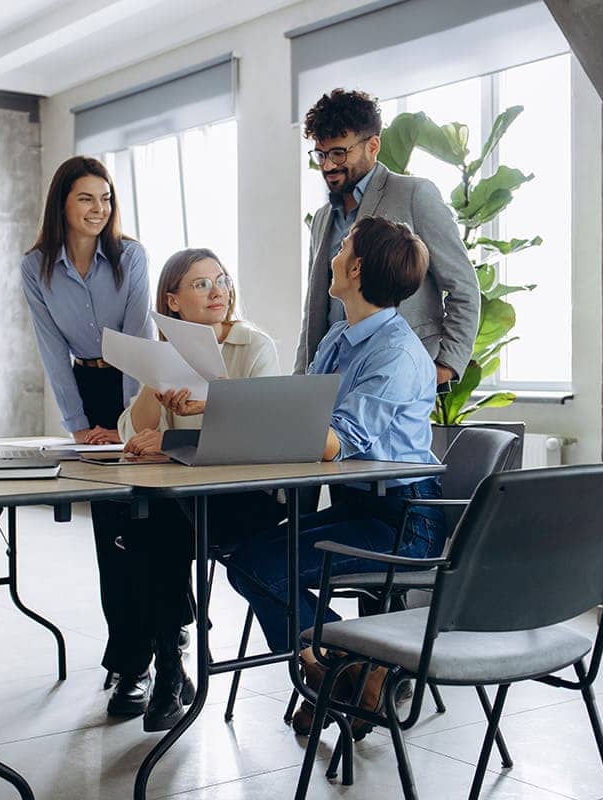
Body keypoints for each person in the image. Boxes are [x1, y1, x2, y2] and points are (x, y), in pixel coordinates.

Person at [225, 216, 445, 731]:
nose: (333, 254)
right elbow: (300, 408)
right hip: (359, 508)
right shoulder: (341, 337)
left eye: (342, 245)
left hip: (404, 523)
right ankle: (344, 670)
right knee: (249, 558)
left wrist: (248, 420)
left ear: (358, 266)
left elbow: (333, 440)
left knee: (258, 564)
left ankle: (333, 670)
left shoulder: (393, 352)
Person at [101, 248, 284, 731]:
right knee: (151, 519)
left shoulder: (254, 346)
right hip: (183, 504)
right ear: (173, 301)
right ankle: (169, 663)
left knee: (148, 528)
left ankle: (170, 659)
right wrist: (150, 387)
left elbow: (260, 431)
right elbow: (129, 435)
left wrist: (175, 440)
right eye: (201, 284)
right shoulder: (165, 353)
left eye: (221, 280)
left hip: (244, 502)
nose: (217, 291)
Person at [296, 88, 479, 390]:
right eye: (321, 154)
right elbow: (314, 309)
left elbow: (462, 286)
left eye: (339, 152)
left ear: (373, 145)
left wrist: (445, 365)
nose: (327, 165)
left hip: (400, 374)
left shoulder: (415, 195)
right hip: (333, 376)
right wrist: (301, 380)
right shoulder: (321, 218)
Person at [21, 156, 152, 444]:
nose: (99, 209)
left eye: (106, 199)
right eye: (86, 199)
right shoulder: (35, 267)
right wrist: (77, 425)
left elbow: (138, 343)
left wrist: (132, 423)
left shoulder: (132, 257)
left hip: (133, 384)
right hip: (84, 386)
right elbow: (52, 351)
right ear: (61, 203)